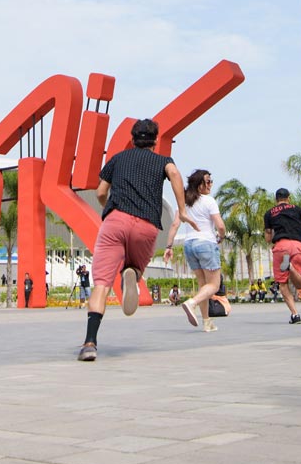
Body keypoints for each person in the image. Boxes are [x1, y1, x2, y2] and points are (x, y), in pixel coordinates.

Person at [78, 119, 193, 361]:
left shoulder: (118, 158)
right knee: (136, 267)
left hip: (115, 221)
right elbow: (174, 174)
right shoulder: (163, 161)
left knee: (100, 283)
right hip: (146, 225)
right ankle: (132, 273)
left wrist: (107, 206)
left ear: (132, 139)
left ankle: (90, 343)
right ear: (155, 140)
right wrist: (182, 209)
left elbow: (100, 191)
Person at [163, 169, 226, 332]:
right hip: (206, 243)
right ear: (200, 186)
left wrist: (168, 247)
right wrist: (221, 236)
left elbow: (175, 224)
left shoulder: (184, 201)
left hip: (189, 244)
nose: (211, 184)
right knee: (214, 284)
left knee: (203, 285)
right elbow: (220, 225)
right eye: (208, 181)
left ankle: (207, 322)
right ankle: (192, 303)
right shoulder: (209, 201)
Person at [263, 187, 301, 325]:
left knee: (283, 284)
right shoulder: (297, 209)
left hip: (281, 246)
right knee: (300, 283)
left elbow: (267, 237)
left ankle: (295, 314)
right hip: (298, 245)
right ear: (288, 198)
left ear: (276, 199)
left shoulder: (269, 214)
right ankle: (290, 267)